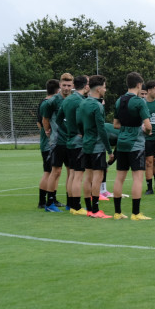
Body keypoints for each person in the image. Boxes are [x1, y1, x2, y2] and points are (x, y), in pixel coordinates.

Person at [112, 72, 152, 220]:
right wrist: (146, 130)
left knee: (119, 178)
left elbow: (116, 124)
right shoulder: (139, 101)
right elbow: (147, 125)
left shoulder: (119, 100)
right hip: (136, 143)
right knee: (137, 178)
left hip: (121, 142)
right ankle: (135, 213)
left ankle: (117, 213)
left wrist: (127, 126)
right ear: (139, 85)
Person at [78, 75, 114, 219]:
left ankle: (88, 209)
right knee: (97, 177)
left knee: (88, 177)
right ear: (99, 89)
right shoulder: (97, 106)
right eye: (104, 87)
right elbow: (102, 130)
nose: (105, 90)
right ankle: (96, 210)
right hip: (97, 146)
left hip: (86, 144)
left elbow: (78, 123)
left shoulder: (83, 103)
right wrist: (109, 150)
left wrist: (84, 134)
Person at [42, 73, 74, 212]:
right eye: (64, 85)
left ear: (72, 86)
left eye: (69, 85)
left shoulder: (74, 100)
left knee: (71, 172)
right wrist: (49, 132)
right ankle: (50, 203)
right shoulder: (52, 101)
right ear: (60, 85)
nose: (66, 88)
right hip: (57, 141)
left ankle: (70, 203)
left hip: (71, 141)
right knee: (55, 171)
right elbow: (45, 119)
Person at [61, 75, 90, 215]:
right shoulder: (81, 101)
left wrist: (68, 130)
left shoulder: (67, 100)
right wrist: (81, 132)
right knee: (78, 175)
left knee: (72, 174)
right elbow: (81, 119)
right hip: (78, 142)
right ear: (85, 86)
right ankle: (77, 207)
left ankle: (72, 205)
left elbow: (60, 118)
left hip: (69, 141)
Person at [37, 79, 60, 209]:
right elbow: (43, 122)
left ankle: (53, 198)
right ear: (58, 90)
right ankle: (42, 201)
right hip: (48, 144)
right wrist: (48, 134)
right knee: (48, 172)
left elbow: (38, 123)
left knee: (55, 171)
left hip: (48, 142)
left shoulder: (43, 102)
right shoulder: (48, 103)